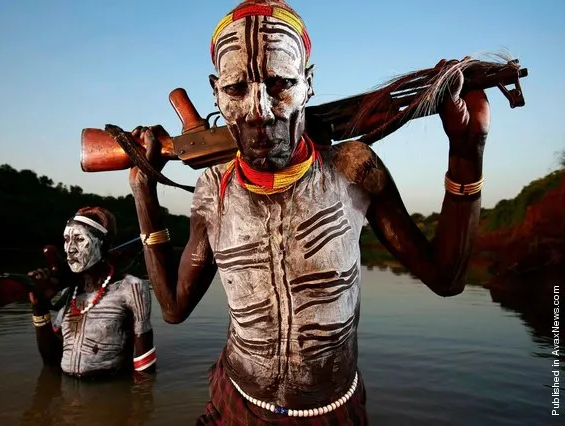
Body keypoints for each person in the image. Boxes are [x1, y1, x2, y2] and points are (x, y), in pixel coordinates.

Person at [128, 0, 489, 423]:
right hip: (235, 405)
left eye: (280, 83)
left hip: (332, 414)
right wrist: (143, 192)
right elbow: (172, 308)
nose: (259, 110)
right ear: (215, 93)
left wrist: (467, 154)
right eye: (236, 89)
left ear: (309, 84)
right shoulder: (214, 187)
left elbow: (446, 279)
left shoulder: (353, 169)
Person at [28, 206, 156, 379]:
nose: (70, 248)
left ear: (102, 244)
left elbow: (145, 365)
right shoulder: (70, 291)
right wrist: (40, 308)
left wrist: (140, 400)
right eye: (67, 240)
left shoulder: (131, 287)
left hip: (110, 396)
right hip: (68, 399)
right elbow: (51, 362)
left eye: (79, 239)